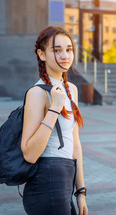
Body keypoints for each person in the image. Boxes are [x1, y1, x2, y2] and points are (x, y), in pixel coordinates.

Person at [20, 26, 88, 215]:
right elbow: (30, 154)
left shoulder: (71, 89)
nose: (65, 55)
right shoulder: (37, 93)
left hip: (66, 179)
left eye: (69, 49)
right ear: (41, 54)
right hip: (46, 181)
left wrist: (80, 192)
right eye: (57, 50)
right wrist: (55, 108)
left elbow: (75, 145)